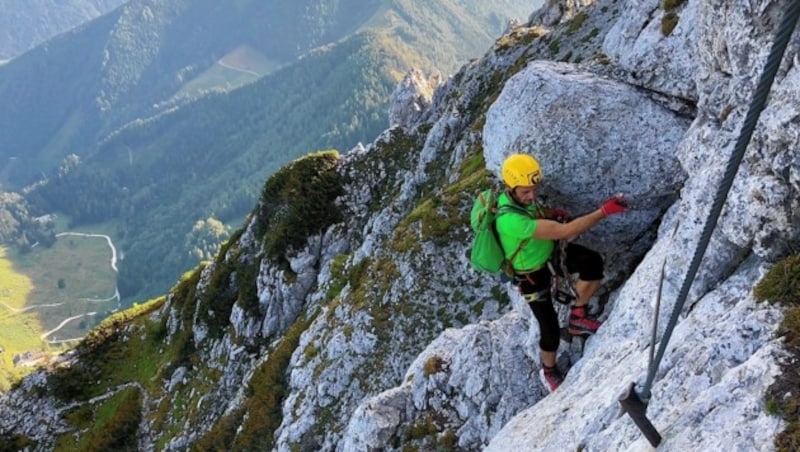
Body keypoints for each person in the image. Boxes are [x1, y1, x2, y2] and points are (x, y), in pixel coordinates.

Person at [495, 153, 627, 393]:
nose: (532, 195)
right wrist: (603, 212)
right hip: (531, 276)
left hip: (549, 256)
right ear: (510, 188)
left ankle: (578, 316)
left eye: (534, 189)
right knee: (550, 328)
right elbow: (564, 232)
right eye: (526, 191)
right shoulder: (509, 220)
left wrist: (548, 212)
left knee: (592, 263)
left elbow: (537, 212)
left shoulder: (520, 200)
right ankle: (549, 369)